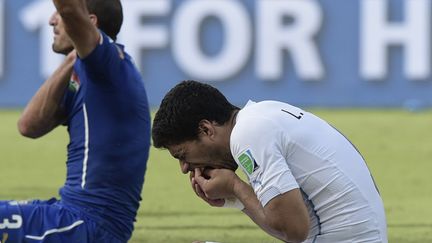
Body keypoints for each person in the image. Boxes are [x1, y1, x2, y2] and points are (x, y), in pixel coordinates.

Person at [152, 80, 388, 242]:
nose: (184, 168)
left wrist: (236, 186)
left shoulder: (248, 134)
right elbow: (291, 230)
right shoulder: (260, 115)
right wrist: (235, 198)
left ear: (206, 129)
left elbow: (293, 230)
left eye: (182, 155)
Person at [0, 0, 151, 242]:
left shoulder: (109, 63)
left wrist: (76, 33)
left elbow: (71, 8)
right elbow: (28, 125)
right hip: (79, 219)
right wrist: (73, 57)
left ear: (88, 23)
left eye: (58, 15)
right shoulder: (90, 71)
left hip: (87, 223)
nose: (51, 20)